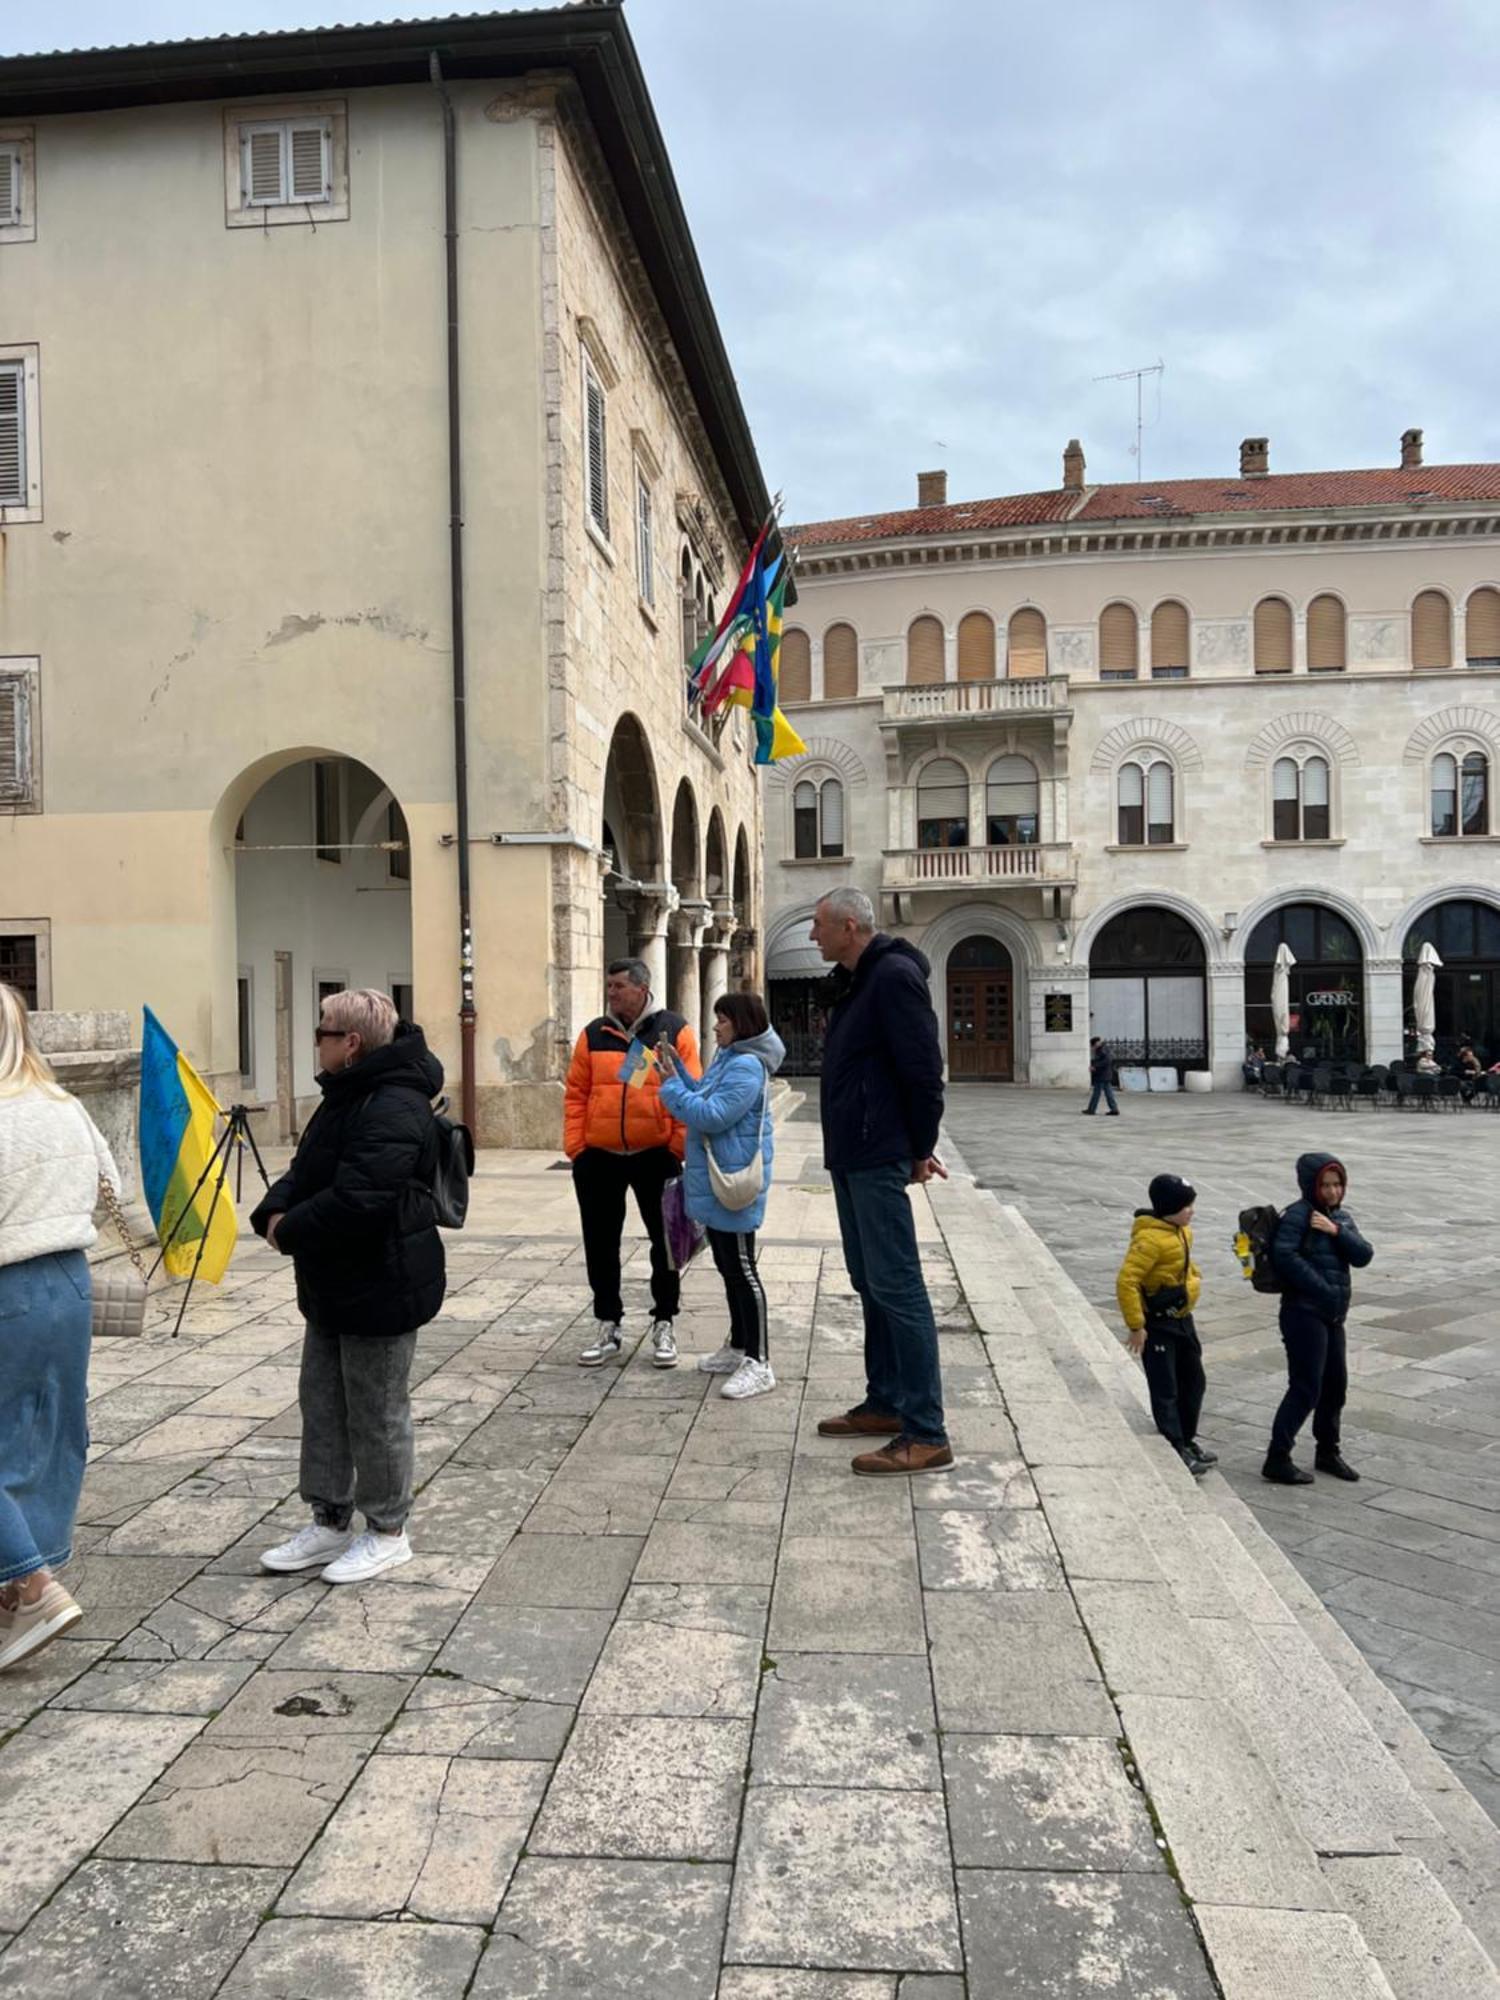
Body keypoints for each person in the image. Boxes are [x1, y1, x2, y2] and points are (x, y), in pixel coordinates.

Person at [252, 988, 444, 1584]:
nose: (318, 1041)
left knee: (377, 1409)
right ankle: (329, 1520)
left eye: (323, 1032)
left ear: (351, 1044)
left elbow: (361, 1196)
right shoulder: (346, 1096)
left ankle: (387, 1531)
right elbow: (307, 1168)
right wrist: (271, 1211)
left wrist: (291, 1231)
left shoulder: (393, 1104)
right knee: (324, 1402)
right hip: (335, 1279)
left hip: (380, 1279)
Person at [808, 888, 953, 1476]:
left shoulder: (892, 976)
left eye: (819, 926)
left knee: (898, 1285)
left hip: (876, 1150)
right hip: (852, 1152)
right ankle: (886, 1402)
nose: (812, 937)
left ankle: (927, 1430)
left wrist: (920, 1147)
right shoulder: (857, 980)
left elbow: (923, 1070)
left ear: (849, 925)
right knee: (870, 1280)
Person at [0, 984, 121, 1671]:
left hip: (7, 1282)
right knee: (46, 1437)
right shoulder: (63, 1104)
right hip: (69, 1281)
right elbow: (113, 1191)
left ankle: (36, 1586)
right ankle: (17, 1595)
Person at [564, 958, 701, 1369]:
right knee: (600, 1243)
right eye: (609, 985)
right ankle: (608, 1323)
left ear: (642, 988)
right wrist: (577, 1148)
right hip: (599, 1157)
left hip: (654, 1156)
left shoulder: (674, 1031)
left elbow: (689, 1090)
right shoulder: (594, 1034)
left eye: (618, 985)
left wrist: (676, 1148)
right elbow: (576, 1093)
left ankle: (664, 1322)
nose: (611, 992)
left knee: (666, 1244)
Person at [658, 992, 784, 1401]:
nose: (716, 1028)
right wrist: (676, 1072)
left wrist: (672, 1089)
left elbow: (712, 1116)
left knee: (744, 1270)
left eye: (723, 1021)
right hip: (717, 1180)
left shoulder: (747, 1066)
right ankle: (738, 1345)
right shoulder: (729, 1058)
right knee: (729, 1267)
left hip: (733, 1179)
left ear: (742, 1024)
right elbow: (705, 1095)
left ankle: (759, 1361)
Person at [1262, 1151, 1373, 1486]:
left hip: (1333, 1316)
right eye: (1325, 1185)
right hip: (1303, 1313)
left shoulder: (1340, 1217)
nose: (1332, 1191)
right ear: (1310, 1185)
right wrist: (1323, 1289)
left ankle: (1328, 1451)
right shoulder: (1297, 1216)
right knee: (1306, 1387)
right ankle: (1277, 1457)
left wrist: (1336, 1230)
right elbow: (1284, 1256)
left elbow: (1364, 1255)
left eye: (1337, 1184)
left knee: (1335, 1387)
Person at [1115, 1174, 1216, 1478]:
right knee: (1166, 1387)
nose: (1192, 1211)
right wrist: (1136, 1325)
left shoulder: (1182, 1232)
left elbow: (1186, 1265)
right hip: (1159, 1325)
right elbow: (1126, 1281)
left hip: (1182, 1318)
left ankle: (1187, 1437)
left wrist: (1192, 1282)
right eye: (1186, 1206)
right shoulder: (1149, 1240)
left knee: (1194, 1380)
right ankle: (1175, 1446)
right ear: (1169, 1208)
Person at [1083, 1036, 1120, 1116]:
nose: (1092, 1047)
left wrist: (1095, 1066)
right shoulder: (1104, 1049)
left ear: (1095, 1044)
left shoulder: (1101, 1050)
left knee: (1096, 1093)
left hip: (1102, 1076)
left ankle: (1091, 1109)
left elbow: (1107, 1060)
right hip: (1105, 1075)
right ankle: (1114, 1109)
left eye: (1093, 1045)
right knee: (1108, 1093)